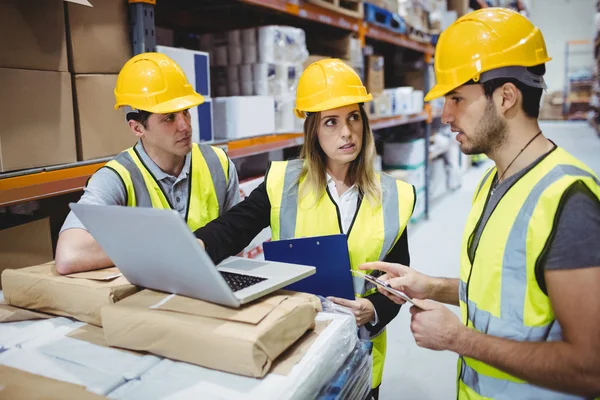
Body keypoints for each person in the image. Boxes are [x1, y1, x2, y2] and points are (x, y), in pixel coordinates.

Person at [362, 8, 600, 399]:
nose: (445, 115)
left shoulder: (568, 203)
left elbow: (591, 368)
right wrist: (430, 286)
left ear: (506, 96)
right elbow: (507, 291)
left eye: (456, 98)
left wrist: (460, 339)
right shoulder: (493, 180)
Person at [194, 58, 416, 399]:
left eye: (354, 117)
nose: (346, 132)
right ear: (313, 130)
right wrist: (195, 247)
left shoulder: (397, 196)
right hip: (300, 347)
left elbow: (398, 285)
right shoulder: (283, 183)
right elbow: (233, 227)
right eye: (331, 122)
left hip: (364, 354)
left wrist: (373, 310)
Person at [55, 53, 240, 275]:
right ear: (137, 128)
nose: (185, 126)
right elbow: (69, 255)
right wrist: (167, 247)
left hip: (218, 285)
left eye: (186, 113)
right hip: (153, 297)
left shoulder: (219, 163)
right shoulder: (117, 177)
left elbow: (235, 241)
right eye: (168, 118)